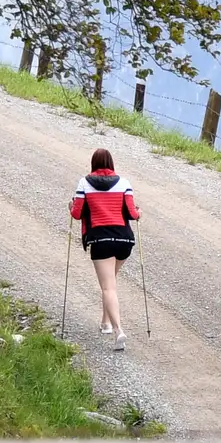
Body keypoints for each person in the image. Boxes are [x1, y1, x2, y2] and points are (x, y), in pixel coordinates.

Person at [70, 147, 140, 349]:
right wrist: (139, 213)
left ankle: (118, 330)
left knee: (108, 286)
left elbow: (76, 213)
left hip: (101, 240)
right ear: (111, 163)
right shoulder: (124, 183)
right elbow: (132, 213)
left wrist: (70, 206)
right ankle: (106, 323)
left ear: (94, 163)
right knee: (110, 284)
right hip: (124, 240)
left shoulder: (84, 183)